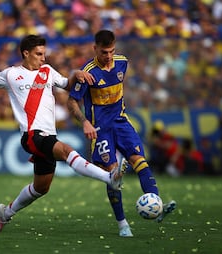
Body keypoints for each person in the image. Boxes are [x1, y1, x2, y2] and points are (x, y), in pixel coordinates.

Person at [0, 34, 124, 232]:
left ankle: (6, 213)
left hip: (48, 136)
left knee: (41, 188)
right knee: (66, 151)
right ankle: (109, 178)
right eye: (39, 54)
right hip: (31, 135)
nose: (43, 58)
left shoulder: (48, 71)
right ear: (26, 53)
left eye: (44, 54)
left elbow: (68, 85)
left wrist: (76, 73)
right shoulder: (10, 74)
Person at [67, 30, 177, 237]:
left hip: (121, 122)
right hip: (100, 129)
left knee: (140, 161)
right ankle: (122, 224)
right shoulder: (88, 72)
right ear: (95, 49)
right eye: (104, 52)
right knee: (113, 175)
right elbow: (71, 101)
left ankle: (156, 206)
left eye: (111, 51)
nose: (108, 56)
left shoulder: (122, 62)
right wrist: (84, 122)